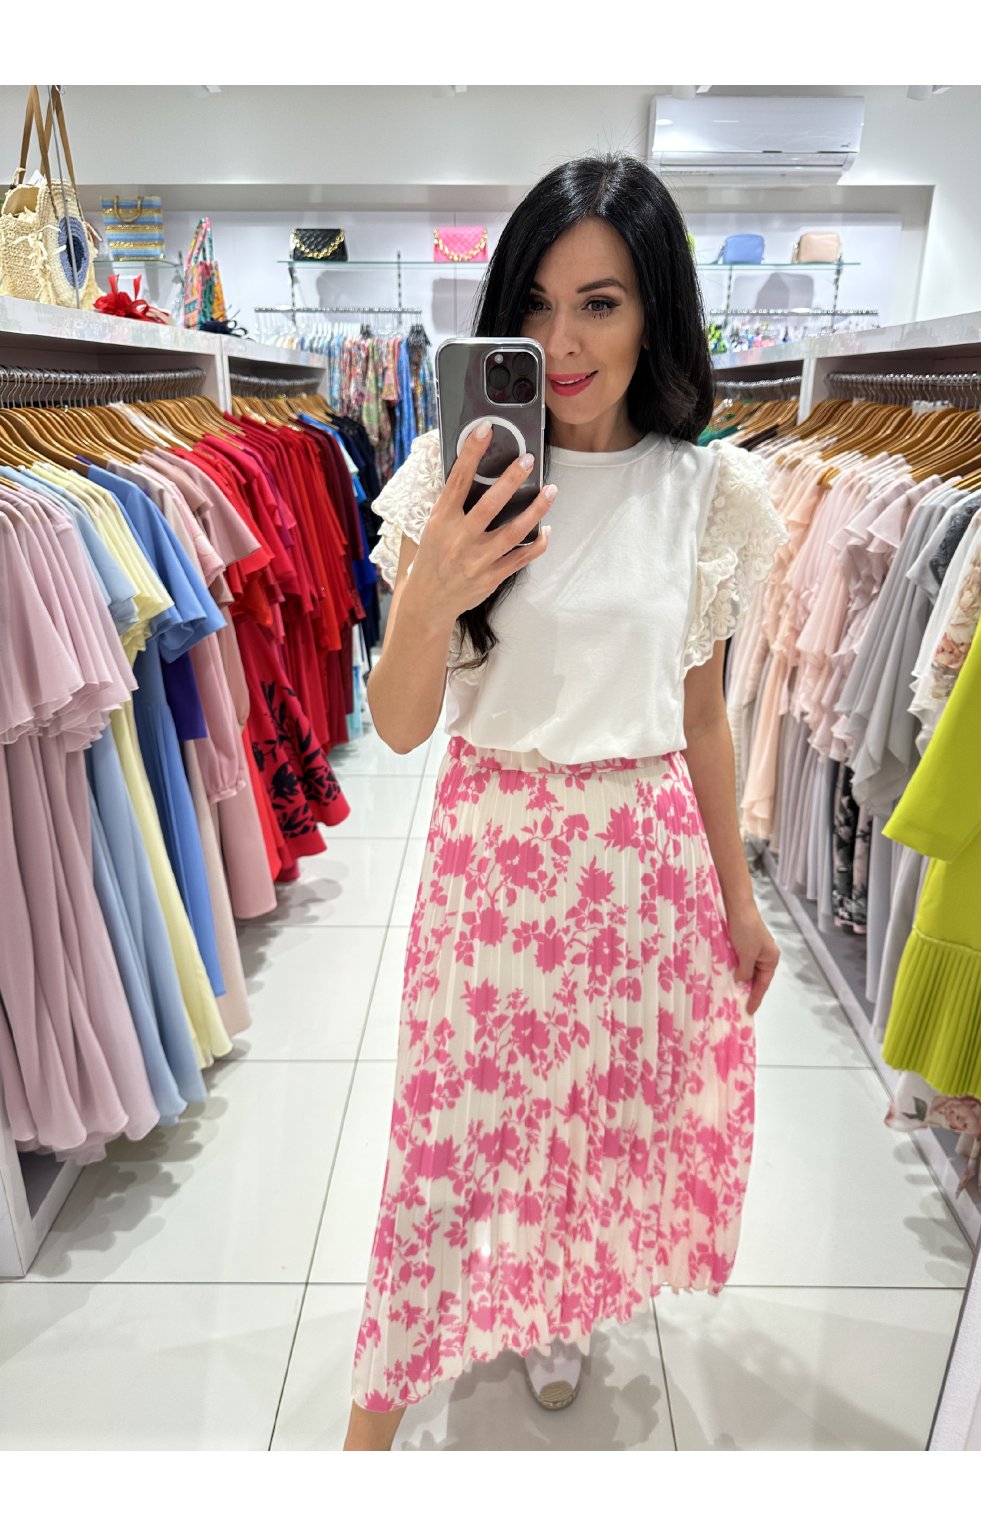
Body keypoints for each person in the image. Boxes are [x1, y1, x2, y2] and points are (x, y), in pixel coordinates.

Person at [343, 153, 787, 1452]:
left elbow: (702, 717)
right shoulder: (447, 477)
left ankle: (558, 1306)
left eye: (600, 303)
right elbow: (401, 722)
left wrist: (739, 900)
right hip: (494, 857)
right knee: (444, 1152)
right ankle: (368, 1429)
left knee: (595, 1127)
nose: (563, 343)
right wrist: (435, 587)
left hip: (641, 865)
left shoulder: (705, 493)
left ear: (655, 311)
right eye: (534, 305)